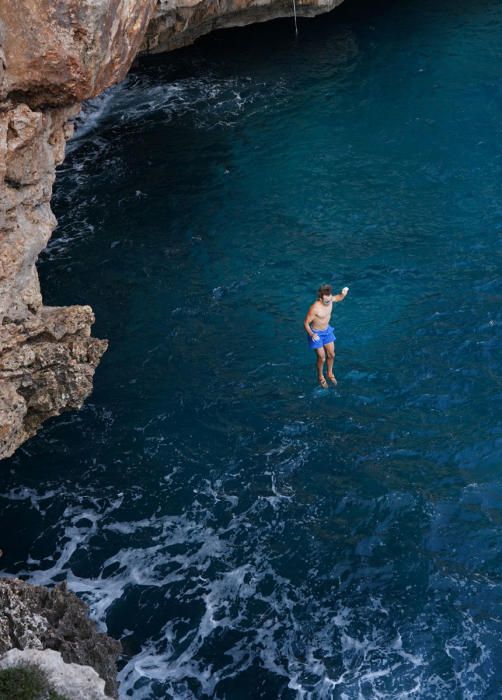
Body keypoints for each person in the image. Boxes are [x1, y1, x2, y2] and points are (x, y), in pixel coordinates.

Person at [303, 283, 349, 387]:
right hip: (316, 334)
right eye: (326, 300)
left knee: (332, 354)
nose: (329, 302)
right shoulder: (314, 308)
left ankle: (330, 373)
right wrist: (311, 334)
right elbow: (306, 323)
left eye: (329, 298)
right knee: (322, 358)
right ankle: (320, 376)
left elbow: (338, 298)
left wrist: (343, 294)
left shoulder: (330, 299)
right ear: (320, 298)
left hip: (327, 331)